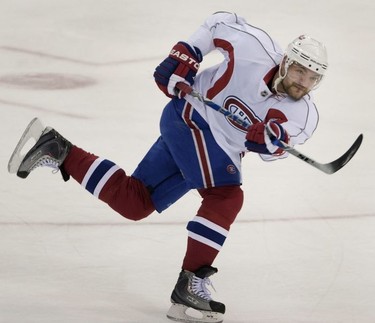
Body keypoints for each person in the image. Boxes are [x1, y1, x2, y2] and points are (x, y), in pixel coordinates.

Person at [9, 11, 328, 323]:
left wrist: (269, 140)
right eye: (300, 72)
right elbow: (219, 22)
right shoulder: (254, 47)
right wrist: (188, 54)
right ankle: (189, 285)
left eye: (312, 78)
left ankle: (58, 149)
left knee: (134, 202)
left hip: (216, 147)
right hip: (190, 116)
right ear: (286, 62)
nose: (304, 83)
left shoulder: (304, 115)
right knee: (226, 197)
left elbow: (276, 151)